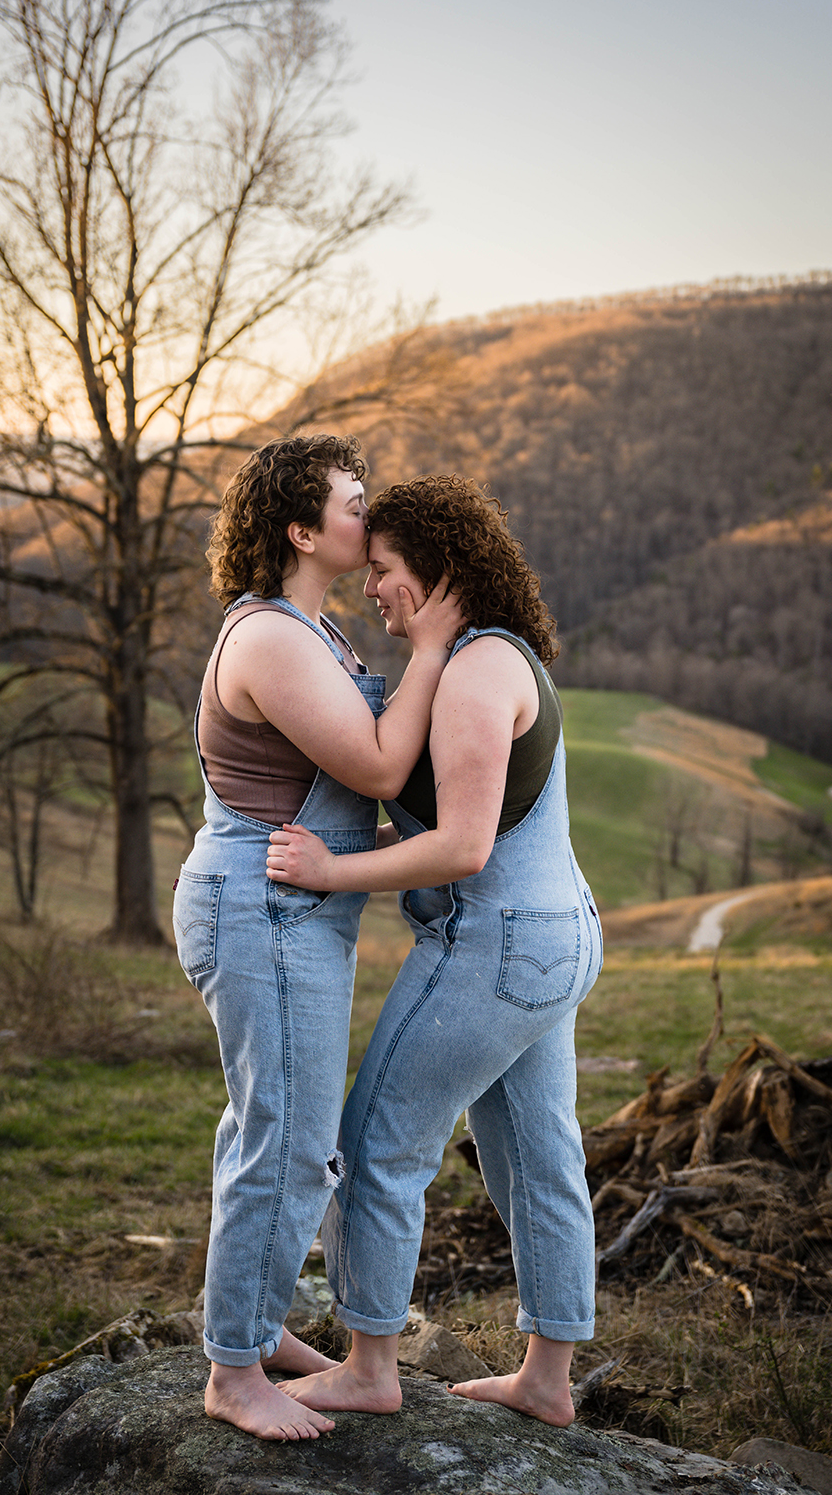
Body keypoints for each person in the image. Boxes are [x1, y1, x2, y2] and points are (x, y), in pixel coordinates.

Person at [265, 474, 603, 1427]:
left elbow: (462, 846)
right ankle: (547, 1379)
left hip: (493, 946)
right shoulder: (488, 658)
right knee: (538, 1156)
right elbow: (466, 824)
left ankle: (369, 1364)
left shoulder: (476, 670)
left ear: (440, 568)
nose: (371, 585)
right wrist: (348, 851)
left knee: (374, 1145)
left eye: (384, 568)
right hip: (549, 941)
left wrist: (332, 871)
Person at [172, 437, 461, 1442]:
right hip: (263, 908)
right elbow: (380, 766)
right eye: (350, 503)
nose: (365, 516)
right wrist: (430, 648)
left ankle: (246, 1327)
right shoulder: (272, 640)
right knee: (289, 1143)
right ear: (300, 530)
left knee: (274, 1128)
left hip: (296, 912)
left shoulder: (314, 628)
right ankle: (233, 1373)